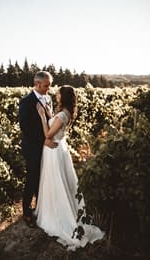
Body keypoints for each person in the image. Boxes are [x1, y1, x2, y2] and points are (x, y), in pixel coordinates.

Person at [34, 85, 105, 251]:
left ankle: (58, 214)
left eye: (58, 93)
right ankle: (56, 209)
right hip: (57, 148)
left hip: (54, 150)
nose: (56, 94)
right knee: (58, 181)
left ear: (63, 97)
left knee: (56, 182)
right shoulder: (65, 113)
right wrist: (50, 113)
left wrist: (43, 117)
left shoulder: (62, 115)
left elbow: (48, 135)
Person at [18, 71, 57, 228]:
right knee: (32, 178)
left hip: (46, 145)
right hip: (33, 147)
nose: (49, 88)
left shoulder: (48, 98)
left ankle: (40, 207)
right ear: (37, 84)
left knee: (44, 177)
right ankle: (26, 212)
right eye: (46, 85)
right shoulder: (26, 101)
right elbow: (25, 127)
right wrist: (43, 141)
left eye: (50, 85)